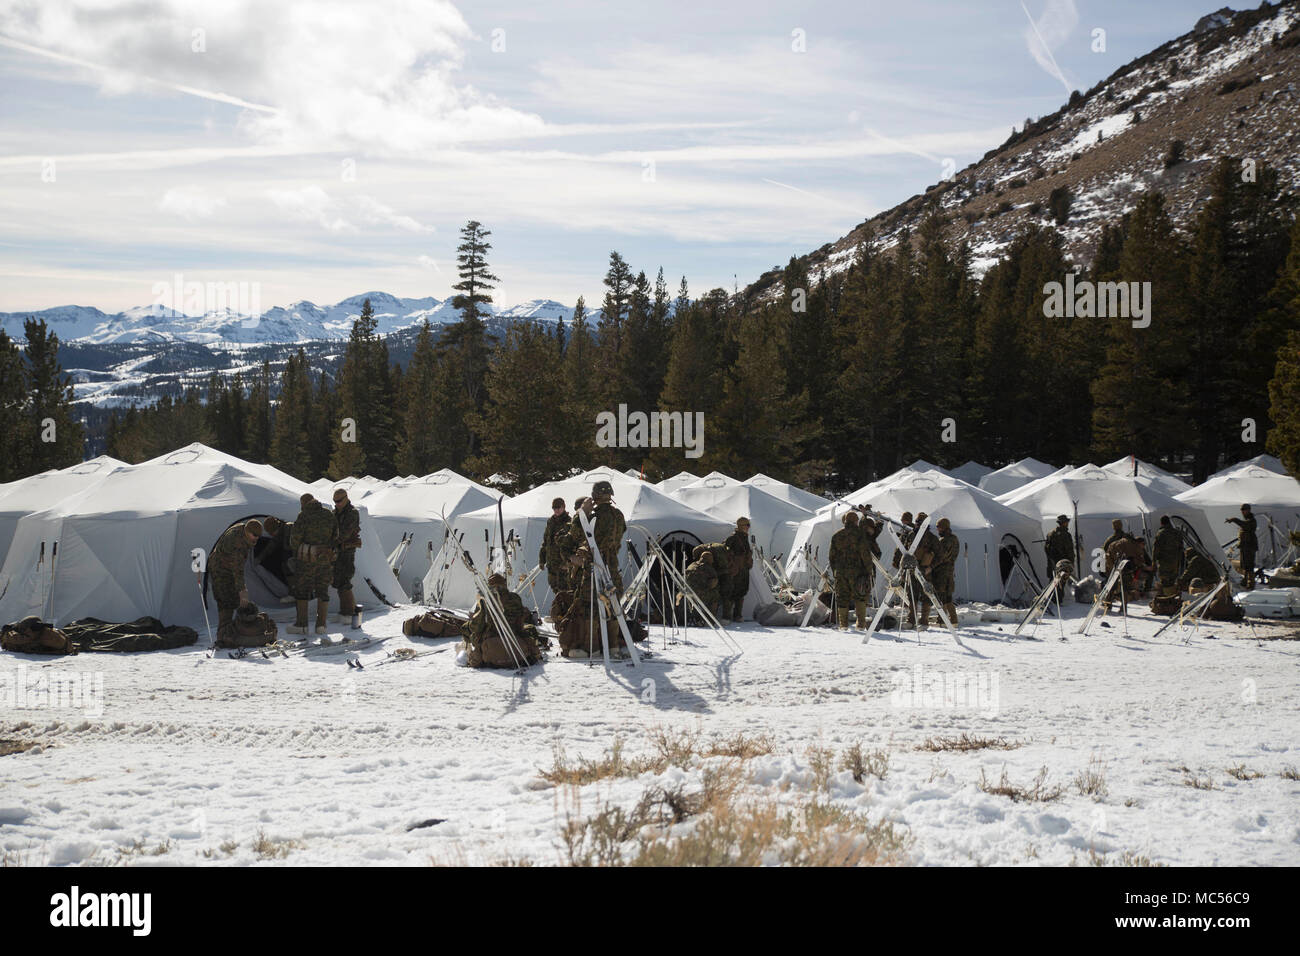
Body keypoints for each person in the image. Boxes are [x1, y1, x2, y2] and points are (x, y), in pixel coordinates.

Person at [463, 572, 543, 667]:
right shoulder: (515, 598)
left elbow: (476, 627)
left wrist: (470, 626)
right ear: (504, 584)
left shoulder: (484, 600)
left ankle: (471, 653)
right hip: (514, 638)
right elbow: (520, 621)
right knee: (530, 628)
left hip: (491, 642)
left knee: (465, 628)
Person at [288, 493, 338, 636]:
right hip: (325, 560)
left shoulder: (303, 516)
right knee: (323, 590)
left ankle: (301, 625)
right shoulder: (329, 515)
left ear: (304, 503)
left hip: (306, 560)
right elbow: (336, 537)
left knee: (302, 590)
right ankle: (321, 625)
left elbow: (294, 541)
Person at [210, 518, 263, 637]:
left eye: (258, 536)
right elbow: (237, 570)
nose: (256, 538)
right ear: (247, 531)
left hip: (226, 567)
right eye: (254, 535)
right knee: (225, 601)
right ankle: (223, 636)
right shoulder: (237, 544)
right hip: (220, 570)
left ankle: (229, 631)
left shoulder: (242, 530)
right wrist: (243, 591)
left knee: (233, 599)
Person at [574, 480, 626, 593]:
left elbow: (575, 533)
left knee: (589, 607)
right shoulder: (619, 515)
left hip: (595, 571)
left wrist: (581, 512)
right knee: (613, 606)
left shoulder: (594, 517)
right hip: (612, 568)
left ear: (594, 495)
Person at [829, 512, 870, 630]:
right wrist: (869, 570)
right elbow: (865, 555)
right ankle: (861, 624)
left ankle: (843, 625)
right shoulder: (860, 535)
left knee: (842, 597)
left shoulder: (836, 536)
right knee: (860, 596)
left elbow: (832, 557)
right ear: (856, 521)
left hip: (841, 573)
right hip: (858, 573)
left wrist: (835, 571)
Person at [331, 488, 362, 620]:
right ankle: (344, 612)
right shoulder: (336, 512)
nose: (337, 503)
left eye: (339, 501)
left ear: (346, 498)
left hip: (346, 550)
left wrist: (331, 541)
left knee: (344, 581)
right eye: (335, 501)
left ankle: (349, 612)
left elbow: (345, 533)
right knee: (338, 580)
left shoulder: (352, 513)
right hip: (337, 550)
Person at [930, 517, 960, 628]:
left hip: (941, 572)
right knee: (947, 596)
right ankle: (953, 619)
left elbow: (940, 557)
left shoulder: (943, 541)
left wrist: (931, 566)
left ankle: (942, 620)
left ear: (944, 527)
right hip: (950, 570)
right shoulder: (955, 539)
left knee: (941, 596)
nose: (938, 530)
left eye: (939, 527)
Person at [722, 517, 753, 622]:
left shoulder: (744, 538)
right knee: (730, 592)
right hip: (735, 571)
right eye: (747, 525)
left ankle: (737, 615)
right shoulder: (732, 539)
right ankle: (726, 617)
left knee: (741, 592)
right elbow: (725, 554)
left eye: (748, 525)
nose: (748, 528)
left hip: (743, 570)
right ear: (741, 526)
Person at [539, 496, 571, 595]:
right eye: (554, 508)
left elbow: (573, 544)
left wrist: (568, 562)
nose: (556, 510)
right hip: (552, 563)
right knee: (555, 588)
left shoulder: (569, 522)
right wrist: (542, 559)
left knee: (565, 591)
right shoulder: (551, 521)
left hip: (563, 564)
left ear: (564, 507)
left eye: (558, 507)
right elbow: (546, 541)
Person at [1226, 504, 1258, 590]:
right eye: (1242, 510)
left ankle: (1250, 583)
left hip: (1249, 547)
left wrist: (1234, 519)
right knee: (1244, 565)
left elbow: (1245, 525)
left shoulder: (1251, 520)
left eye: (1244, 510)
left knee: (1249, 565)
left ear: (1248, 510)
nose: (1242, 511)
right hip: (1245, 547)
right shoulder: (1248, 520)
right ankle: (1245, 581)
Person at [683, 549, 720, 620]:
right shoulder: (709, 569)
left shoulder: (692, 565)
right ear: (709, 559)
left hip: (687, 594)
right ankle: (710, 619)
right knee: (716, 594)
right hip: (700, 595)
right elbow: (712, 584)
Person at [1152, 515, 1182, 597]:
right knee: (1172, 580)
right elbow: (1181, 548)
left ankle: (1166, 600)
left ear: (1161, 523)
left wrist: (1153, 562)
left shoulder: (1161, 533)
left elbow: (1156, 549)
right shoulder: (1177, 533)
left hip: (1164, 562)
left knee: (1165, 581)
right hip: (1175, 562)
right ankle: (1172, 598)